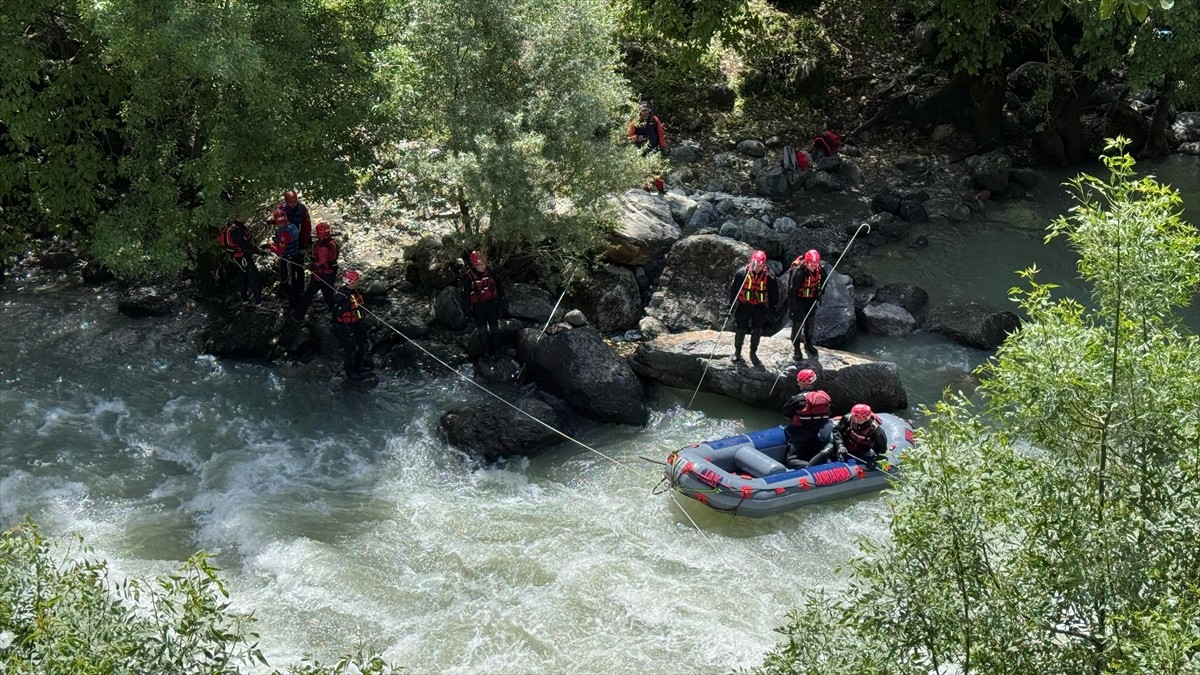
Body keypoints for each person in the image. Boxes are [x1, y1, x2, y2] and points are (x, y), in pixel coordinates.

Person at [728, 250, 777, 367]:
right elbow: (734, 292)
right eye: (756, 265)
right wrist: (729, 308)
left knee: (757, 330)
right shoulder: (742, 274)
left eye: (761, 266)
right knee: (741, 329)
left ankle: (753, 352)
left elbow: (774, 295)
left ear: (764, 264)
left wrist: (772, 311)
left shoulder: (769, 276)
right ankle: (737, 351)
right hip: (744, 305)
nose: (758, 268)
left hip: (759, 307)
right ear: (751, 262)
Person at [781, 369, 832, 469]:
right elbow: (829, 414)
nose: (798, 384)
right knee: (811, 453)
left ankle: (812, 466)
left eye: (799, 382)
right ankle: (823, 458)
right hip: (821, 433)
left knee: (791, 461)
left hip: (802, 433)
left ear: (803, 384)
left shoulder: (798, 399)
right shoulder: (825, 397)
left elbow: (786, 414)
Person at [461, 250, 505, 362]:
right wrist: (467, 312)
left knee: (495, 330)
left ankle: (497, 351)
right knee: (483, 332)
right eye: (480, 264)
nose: (483, 266)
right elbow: (465, 296)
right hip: (478, 308)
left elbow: (500, 289)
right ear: (474, 265)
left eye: (484, 264)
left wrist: (501, 304)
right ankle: (485, 352)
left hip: (492, 305)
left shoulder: (491, 273)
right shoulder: (468, 278)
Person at [292, 222, 339, 320]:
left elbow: (322, 263)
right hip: (328, 274)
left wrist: (310, 266)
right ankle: (298, 315)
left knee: (326, 298)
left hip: (322, 276)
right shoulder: (331, 242)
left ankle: (339, 317)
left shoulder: (323, 247)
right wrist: (309, 253)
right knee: (319, 296)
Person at [332, 269, 372, 379]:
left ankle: (359, 367)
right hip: (346, 326)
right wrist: (347, 304)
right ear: (348, 282)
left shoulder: (356, 292)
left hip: (357, 322)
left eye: (357, 282)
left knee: (363, 345)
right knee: (351, 349)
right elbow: (337, 312)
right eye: (354, 282)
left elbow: (362, 302)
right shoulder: (341, 295)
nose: (356, 284)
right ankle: (351, 373)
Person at [787, 249, 824, 359]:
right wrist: (792, 308)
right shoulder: (798, 272)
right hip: (798, 300)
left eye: (815, 264)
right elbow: (792, 291)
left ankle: (808, 344)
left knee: (810, 323)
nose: (813, 267)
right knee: (797, 325)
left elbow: (823, 283)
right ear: (806, 262)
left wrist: (820, 293)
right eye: (811, 265)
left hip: (810, 299)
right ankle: (797, 348)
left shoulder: (820, 270)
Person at [217, 219, 262, 304]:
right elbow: (246, 248)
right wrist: (260, 252)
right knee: (254, 277)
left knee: (243, 276)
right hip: (243, 257)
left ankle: (245, 300)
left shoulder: (232, 227)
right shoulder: (236, 231)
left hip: (237, 257)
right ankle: (258, 302)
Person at [831, 403, 888, 469]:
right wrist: (840, 445)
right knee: (826, 451)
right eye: (856, 417)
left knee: (866, 461)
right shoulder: (847, 419)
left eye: (861, 419)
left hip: (861, 452)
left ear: (867, 418)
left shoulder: (876, 431)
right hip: (843, 446)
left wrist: (874, 460)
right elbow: (837, 430)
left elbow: (882, 450)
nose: (857, 421)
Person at [268, 207, 304, 309]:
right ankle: (293, 293)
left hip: (288, 259)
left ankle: (294, 303)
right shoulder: (292, 226)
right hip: (295, 255)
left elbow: (280, 251)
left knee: (288, 280)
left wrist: (270, 246)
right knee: (293, 277)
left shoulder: (284, 234)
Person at [279, 189, 313, 254]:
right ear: (286, 201)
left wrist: (304, 242)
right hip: (287, 235)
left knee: (299, 257)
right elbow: (278, 220)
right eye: (290, 202)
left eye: (294, 201)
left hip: (300, 236)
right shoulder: (282, 208)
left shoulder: (302, 209)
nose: (293, 204)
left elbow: (307, 226)